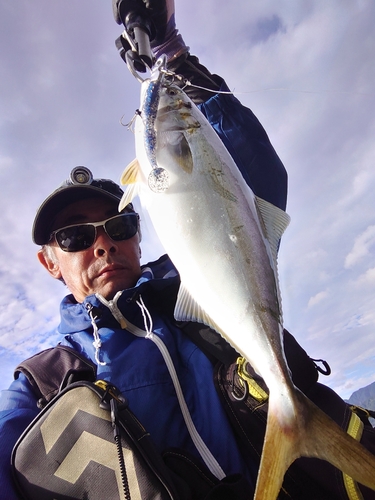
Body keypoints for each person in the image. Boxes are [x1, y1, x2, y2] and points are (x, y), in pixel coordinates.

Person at [1, 1, 374, 499]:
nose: (104, 243)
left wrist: (175, 59)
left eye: (119, 223)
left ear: (139, 231)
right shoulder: (42, 385)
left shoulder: (196, 289)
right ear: (50, 261)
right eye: (75, 236)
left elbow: (254, 185)